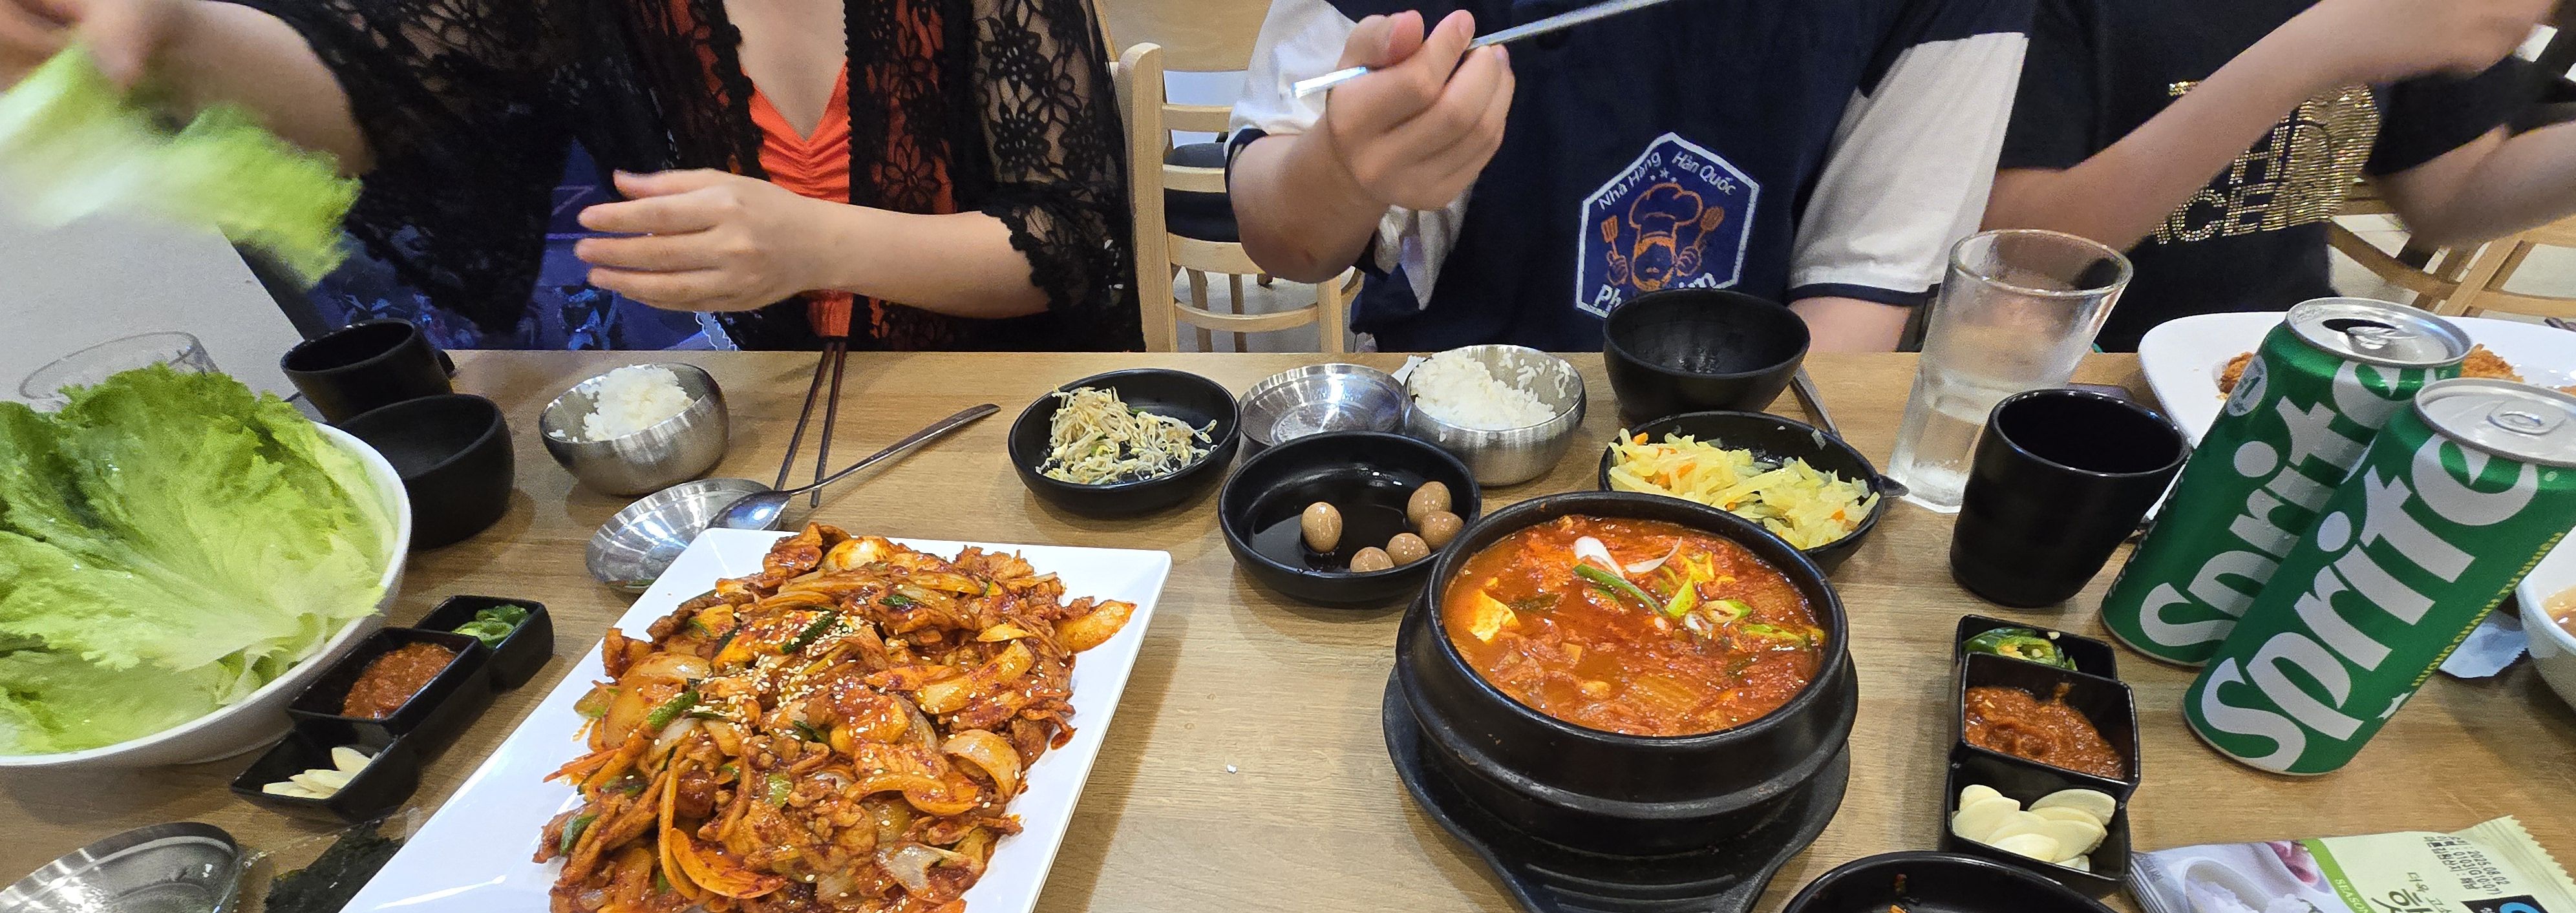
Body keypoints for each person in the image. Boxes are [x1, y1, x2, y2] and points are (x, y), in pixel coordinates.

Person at [0, 0, 1137, 349]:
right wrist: (174, 34)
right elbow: (368, 96)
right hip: (787, 413)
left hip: (1030, 409)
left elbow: (1073, 245)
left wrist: (817, 242)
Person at [1224, 1, 2033, 353]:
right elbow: (1280, 231)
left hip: (1745, 420)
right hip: (1447, 398)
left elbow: (1861, 292)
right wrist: (1340, 171)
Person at [1985, 0, 2576, 349]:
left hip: (2282, 350)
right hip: (2066, 362)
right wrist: (2318, 51)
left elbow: (2451, 199)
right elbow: (2016, 257)